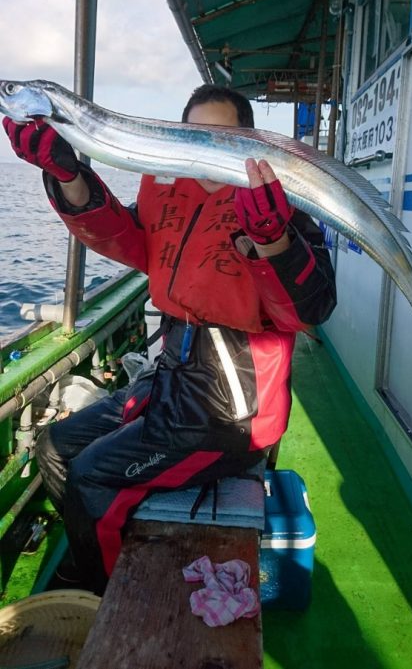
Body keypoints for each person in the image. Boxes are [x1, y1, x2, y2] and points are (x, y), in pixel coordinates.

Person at [2, 85, 336, 595]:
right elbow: (124, 238)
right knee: (54, 447)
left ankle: (105, 597)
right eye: (194, 134)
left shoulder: (280, 206)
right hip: (171, 380)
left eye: (221, 136)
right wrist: (69, 176)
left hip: (233, 412)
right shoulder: (166, 188)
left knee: (92, 476)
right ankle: (96, 556)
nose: (205, 148)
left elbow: (311, 308)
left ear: (246, 141)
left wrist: (273, 241)